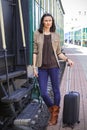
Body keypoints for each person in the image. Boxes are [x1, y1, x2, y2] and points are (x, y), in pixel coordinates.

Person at [33, 13, 74, 126]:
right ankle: (53, 109)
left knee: (56, 90)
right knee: (43, 92)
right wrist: (34, 67)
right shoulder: (37, 33)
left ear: (52, 22)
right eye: (46, 20)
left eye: (50, 20)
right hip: (42, 68)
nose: (48, 22)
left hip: (54, 67)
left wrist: (67, 59)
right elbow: (35, 51)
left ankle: (54, 116)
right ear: (42, 22)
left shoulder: (56, 35)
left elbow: (59, 52)